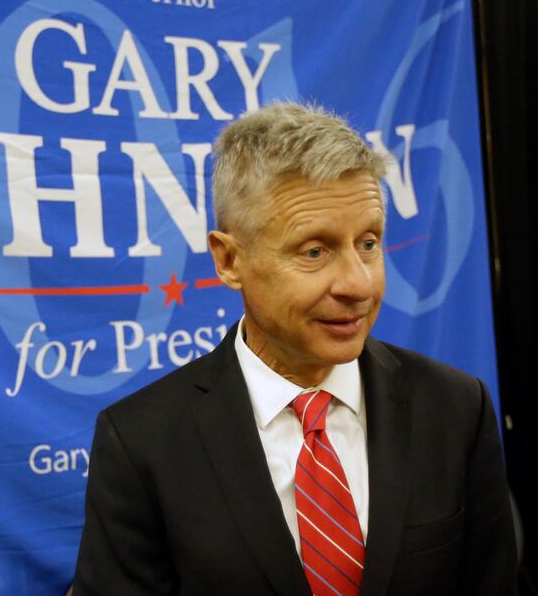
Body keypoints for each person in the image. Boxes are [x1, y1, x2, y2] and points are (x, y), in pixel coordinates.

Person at [72, 102, 516, 595]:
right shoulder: (141, 442)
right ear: (229, 259)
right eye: (314, 251)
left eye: (368, 243)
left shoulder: (456, 408)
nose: (358, 283)